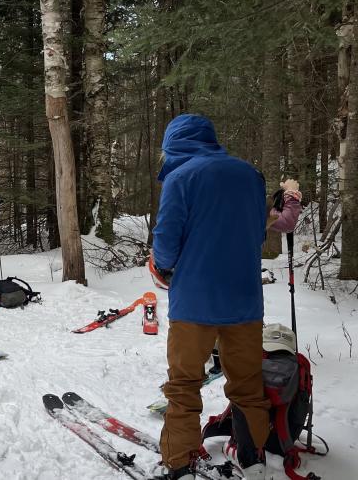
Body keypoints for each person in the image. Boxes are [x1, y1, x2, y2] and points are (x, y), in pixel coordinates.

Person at [151, 114, 270, 480]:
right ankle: (253, 457)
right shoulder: (251, 176)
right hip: (245, 300)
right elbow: (257, 234)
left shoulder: (180, 178)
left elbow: (167, 243)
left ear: (175, 143)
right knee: (248, 383)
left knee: (184, 384)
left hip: (195, 303)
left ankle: (180, 462)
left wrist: (162, 266)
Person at [206, 179, 303, 375]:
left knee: (217, 314)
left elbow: (280, 219)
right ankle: (222, 359)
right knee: (230, 316)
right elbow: (287, 222)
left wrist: (286, 197)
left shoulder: (218, 204)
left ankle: (215, 359)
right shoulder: (251, 210)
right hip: (236, 273)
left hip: (216, 271)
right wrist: (291, 194)